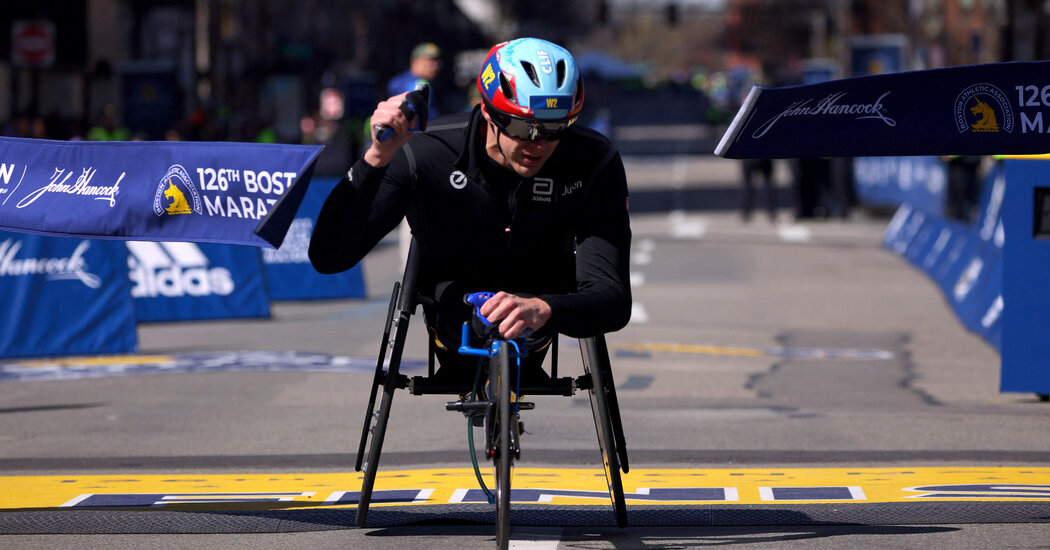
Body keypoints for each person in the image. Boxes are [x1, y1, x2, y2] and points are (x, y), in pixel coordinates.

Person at [309, 38, 632, 386]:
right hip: (453, 311)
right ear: (489, 111)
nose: (539, 144)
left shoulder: (593, 160)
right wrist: (375, 158)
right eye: (525, 127)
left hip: (542, 310)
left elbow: (612, 299)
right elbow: (330, 257)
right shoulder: (426, 151)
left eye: (556, 127)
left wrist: (546, 308)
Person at [387, 42, 442, 119]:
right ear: (414, 62)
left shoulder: (396, 80)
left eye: (437, 61)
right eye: (430, 61)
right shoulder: (421, 84)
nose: (435, 66)